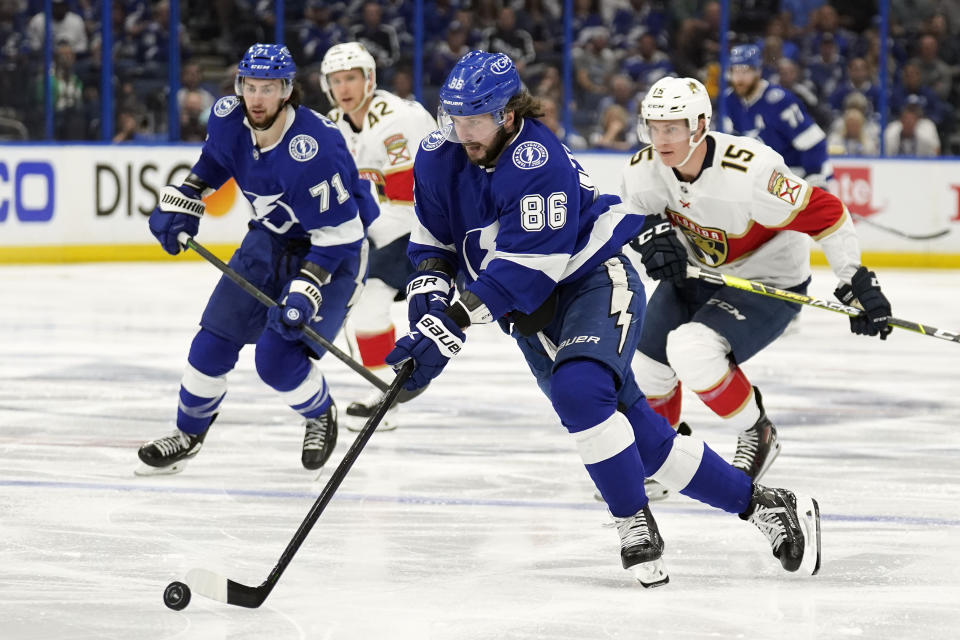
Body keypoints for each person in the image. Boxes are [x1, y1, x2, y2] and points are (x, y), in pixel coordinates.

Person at [384, 51, 822, 585]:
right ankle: (764, 505)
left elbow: (528, 272)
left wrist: (448, 325)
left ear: (506, 115)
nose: (462, 131)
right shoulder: (439, 154)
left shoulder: (536, 161)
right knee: (646, 443)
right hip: (526, 316)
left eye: (474, 119)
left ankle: (632, 521)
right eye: (454, 117)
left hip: (589, 283)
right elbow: (433, 242)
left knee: (579, 393)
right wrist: (426, 310)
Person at [621, 76, 892, 497]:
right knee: (648, 365)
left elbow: (827, 213)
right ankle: (663, 456)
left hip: (766, 278)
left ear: (700, 126)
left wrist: (854, 279)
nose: (661, 138)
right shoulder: (643, 170)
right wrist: (649, 232)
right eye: (654, 127)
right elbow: (635, 213)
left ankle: (757, 431)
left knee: (691, 351)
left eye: (672, 127)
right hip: (698, 274)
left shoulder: (751, 171)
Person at [136, 44, 378, 475]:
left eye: (269, 88)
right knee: (210, 344)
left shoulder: (316, 146)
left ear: (287, 91)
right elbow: (215, 160)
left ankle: (320, 413)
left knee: (276, 358)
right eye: (251, 86)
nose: (258, 97)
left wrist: (306, 288)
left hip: (334, 251)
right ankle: (188, 435)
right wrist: (187, 195)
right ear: (239, 86)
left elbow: (341, 233)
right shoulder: (229, 116)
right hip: (269, 241)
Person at [320, 42, 438, 429]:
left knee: (367, 310)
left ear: (369, 79)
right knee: (365, 314)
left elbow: (406, 203)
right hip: (389, 225)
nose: (344, 87)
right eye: (336, 80)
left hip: (426, 222)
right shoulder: (333, 124)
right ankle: (386, 391)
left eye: (351, 77)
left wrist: (352, 239)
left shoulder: (395, 120)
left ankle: (388, 389)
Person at [722, 44, 831, 187]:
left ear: (758, 71)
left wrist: (813, 177)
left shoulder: (778, 101)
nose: (739, 79)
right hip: (758, 178)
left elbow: (814, 142)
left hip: (792, 175)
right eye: (735, 71)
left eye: (745, 71)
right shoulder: (730, 100)